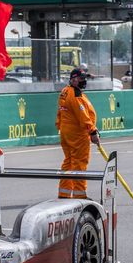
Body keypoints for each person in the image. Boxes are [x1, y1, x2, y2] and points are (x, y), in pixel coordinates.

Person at [56, 68, 101, 199]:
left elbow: (60, 113)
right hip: (77, 134)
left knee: (69, 162)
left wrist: (60, 126)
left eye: (84, 78)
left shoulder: (65, 91)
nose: (84, 81)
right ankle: (79, 195)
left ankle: (64, 193)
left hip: (66, 132)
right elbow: (83, 116)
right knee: (79, 163)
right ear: (73, 79)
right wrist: (92, 131)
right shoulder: (76, 95)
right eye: (81, 79)